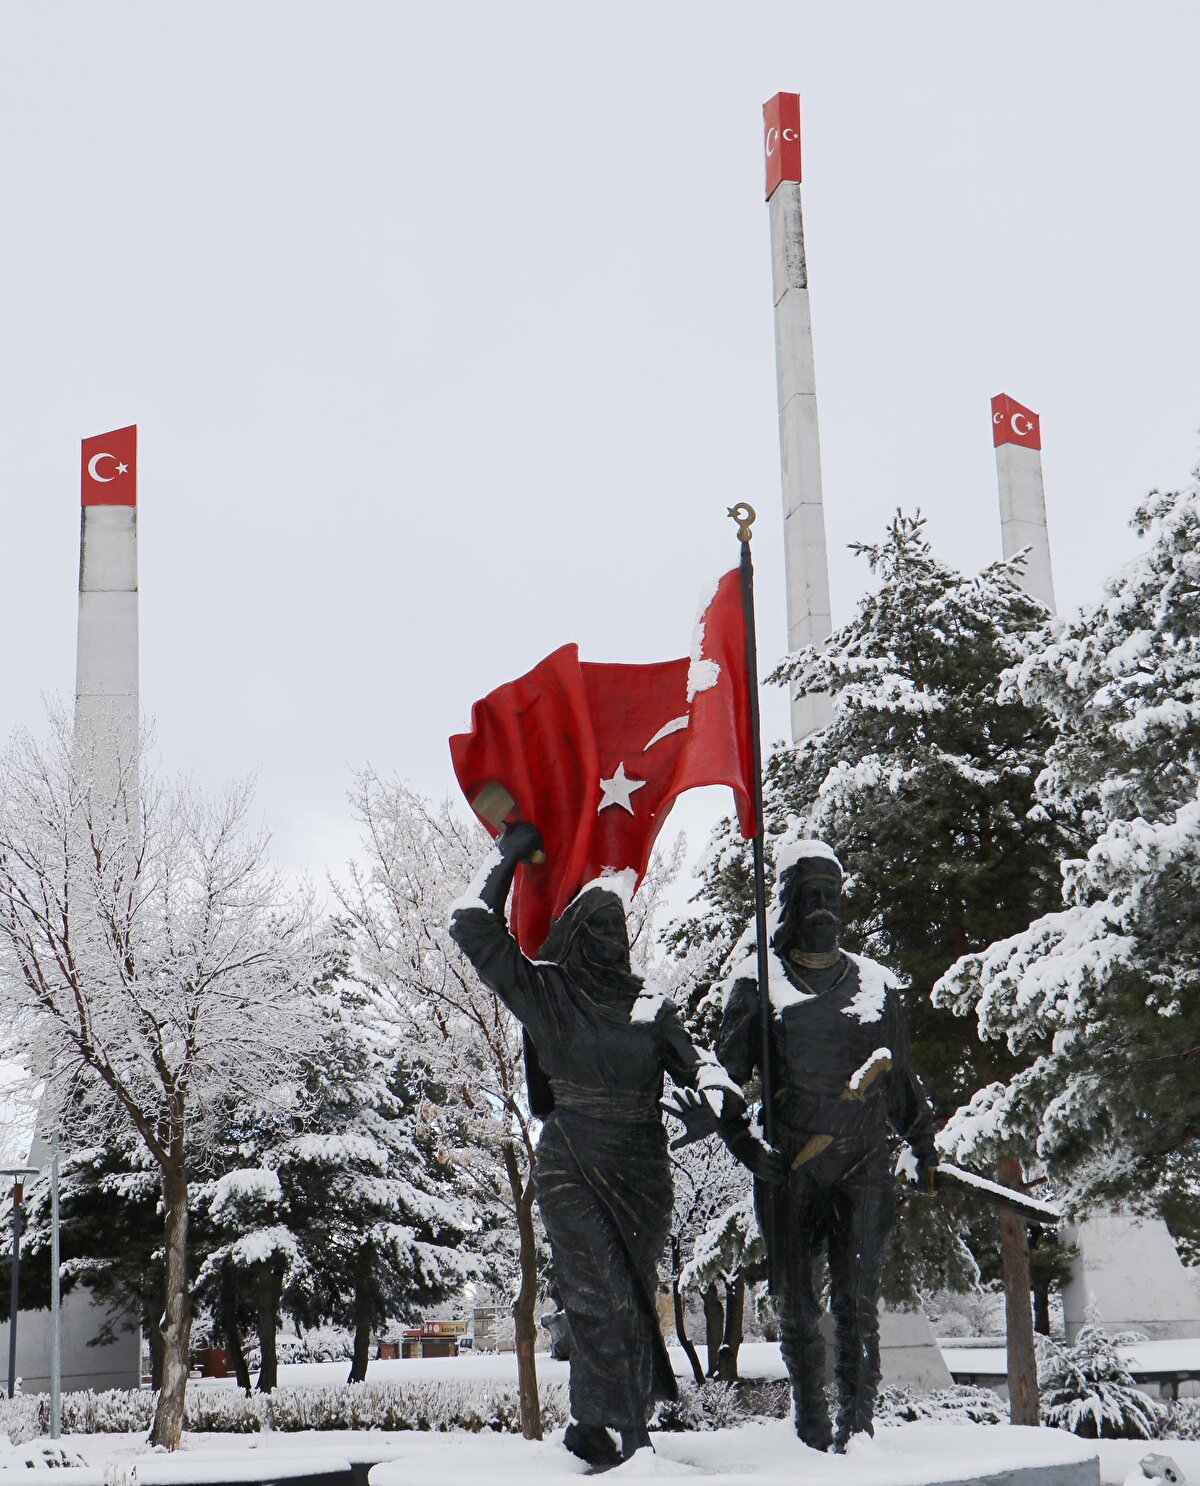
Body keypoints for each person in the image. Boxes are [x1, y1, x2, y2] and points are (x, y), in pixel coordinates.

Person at [449, 820, 782, 1467]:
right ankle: (634, 1435)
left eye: (617, 928)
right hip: (572, 1161)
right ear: (575, 935)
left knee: (621, 1294)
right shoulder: (549, 994)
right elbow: (470, 923)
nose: (609, 938)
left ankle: (589, 1426)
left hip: (641, 1172)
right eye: (596, 927)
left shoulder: (650, 1008)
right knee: (605, 1294)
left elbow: (701, 1067)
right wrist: (509, 853)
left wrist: (731, 1119)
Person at [716, 837, 938, 1452]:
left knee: (857, 1304)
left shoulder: (876, 985)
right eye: (808, 894)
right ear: (786, 904)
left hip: (863, 1163)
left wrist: (922, 1143)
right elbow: (721, 1080)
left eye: (830, 895)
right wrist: (743, 1142)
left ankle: (857, 1431)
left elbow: (900, 1078)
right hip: (791, 1167)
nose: (822, 907)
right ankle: (812, 1429)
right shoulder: (759, 982)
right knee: (797, 1305)